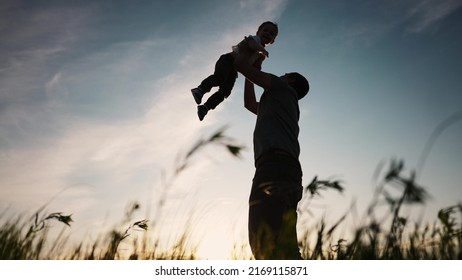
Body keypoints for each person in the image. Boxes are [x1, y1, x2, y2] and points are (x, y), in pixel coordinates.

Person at [234, 38, 310, 259]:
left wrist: (249, 53)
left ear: (290, 80)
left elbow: (240, 66)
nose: (280, 75)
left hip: (274, 166)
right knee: (285, 245)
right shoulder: (279, 101)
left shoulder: (280, 88)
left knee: (262, 238)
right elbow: (249, 104)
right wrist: (253, 73)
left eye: (285, 74)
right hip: (287, 170)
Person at [191, 21, 278, 121]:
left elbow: (255, 68)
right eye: (265, 30)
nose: (268, 33)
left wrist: (258, 64)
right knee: (220, 78)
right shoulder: (255, 40)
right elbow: (251, 44)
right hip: (228, 60)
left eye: (271, 33)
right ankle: (200, 89)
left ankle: (205, 107)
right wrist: (259, 49)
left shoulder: (261, 53)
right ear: (258, 32)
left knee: (225, 92)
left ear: (272, 41)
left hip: (234, 70)